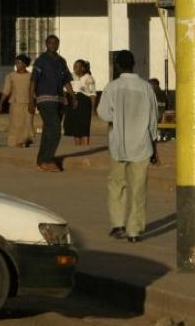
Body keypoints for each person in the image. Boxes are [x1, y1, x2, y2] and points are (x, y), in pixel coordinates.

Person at [97, 50, 160, 243]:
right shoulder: (146, 88)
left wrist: (117, 117)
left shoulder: (112, 87)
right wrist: (155, 147)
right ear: (134, 64)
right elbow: (153, 119)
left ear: (117, 66)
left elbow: (103, 113)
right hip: (142, 145)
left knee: (117, 185)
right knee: (138, 189)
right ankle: (134, 231)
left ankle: (118, 224)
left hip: (118, 144)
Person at [29, 34, 73, 172]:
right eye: (51, 43)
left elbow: (66, 81)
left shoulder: (61, 61)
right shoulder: (41, 60)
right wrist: (31, 101)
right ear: (46, 44)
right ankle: (47, 159)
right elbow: (33, 81)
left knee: (49, 130)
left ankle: (42, 160)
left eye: (56, 43)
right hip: (44, 100)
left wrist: (73, 96)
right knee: (55, 129)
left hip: (59, 100)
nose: (53, 45)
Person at [0, 54, 35, 148]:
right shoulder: (11, 76)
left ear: (25, 64)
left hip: (28, 103)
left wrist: (33, 103)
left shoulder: (31, 76)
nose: (17, 65)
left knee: (28, 122)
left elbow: (33, 91)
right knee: (16, 124)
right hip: (15, 103)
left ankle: (26, 140)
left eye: (19, 63)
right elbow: (6, 90)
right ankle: (16, 142)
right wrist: (0, 104)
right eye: (16, 63)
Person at [63, 58, 96, 144]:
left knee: (84, 127)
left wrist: (93, 109)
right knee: (75, 128)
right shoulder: (71, 77)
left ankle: (85, 146)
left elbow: (92, 95)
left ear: (83, 68)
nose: (75, 68)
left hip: (84, 103)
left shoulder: (88, 78)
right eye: (74, 66)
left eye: (77, 66)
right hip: (72, 102)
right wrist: (65, 99)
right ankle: (77, 147)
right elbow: (65, 89)